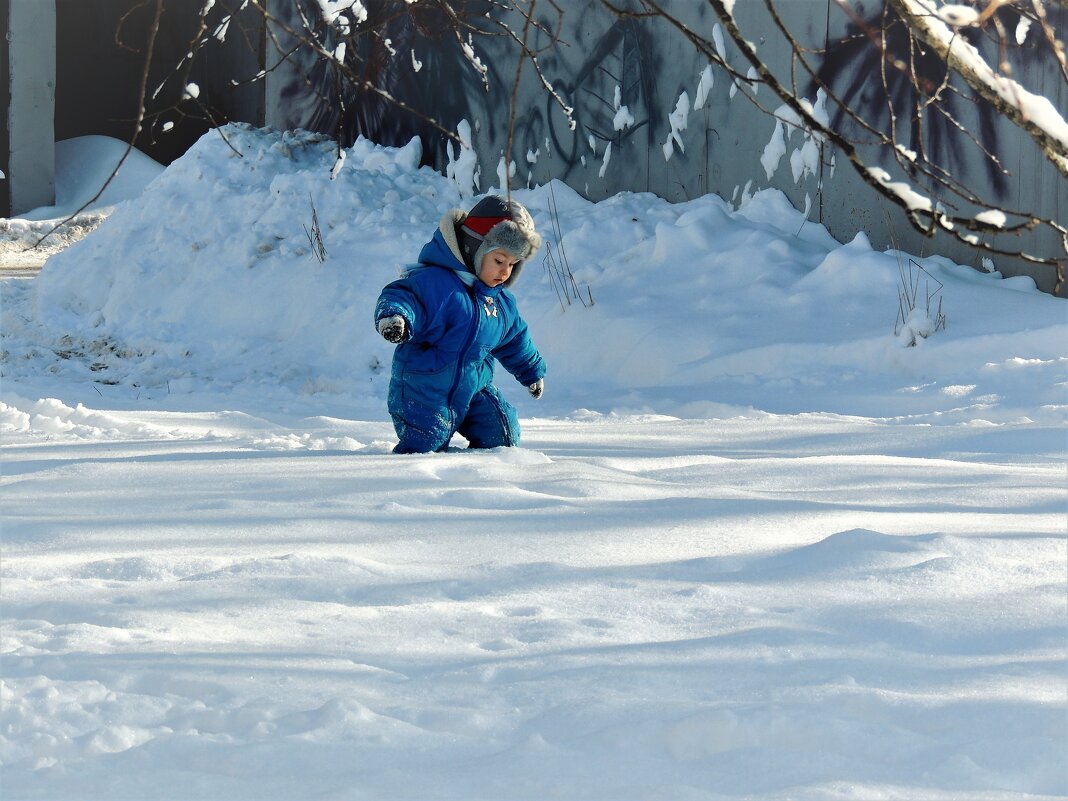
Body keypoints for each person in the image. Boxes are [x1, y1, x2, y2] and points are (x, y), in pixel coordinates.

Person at [374, 195, 547, 454]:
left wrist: (531, 371)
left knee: (502, 436)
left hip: (474, 387)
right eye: (499, 261)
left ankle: (483, 480)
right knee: (423, 446)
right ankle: (416, 481)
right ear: (473, 249)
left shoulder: (500, 304)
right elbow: (404, 296)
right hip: (424, 389)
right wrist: (395, 317)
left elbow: (514, 339)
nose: (505, 272)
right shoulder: (437, 284)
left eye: (512, 264)